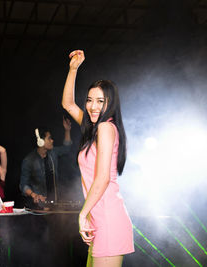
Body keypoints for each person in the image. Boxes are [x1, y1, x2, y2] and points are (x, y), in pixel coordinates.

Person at [62, 50, 134, 267]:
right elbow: (68, 104)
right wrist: (73, 69)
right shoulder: (95, 128)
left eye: (100, 101)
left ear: (109, 104)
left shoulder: (105, 127)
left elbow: (102, 178)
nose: (93, 106)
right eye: (90, 100)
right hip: (100, 218)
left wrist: (82, 214)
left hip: (108, 217)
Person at [19, 117, 72, 209]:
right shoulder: (29, 160)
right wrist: (34, 195)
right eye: (49, 138)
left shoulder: (53, 153)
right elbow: (23, 185)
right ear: (40, 142)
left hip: (55, 203)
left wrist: (67, 130)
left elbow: (66, 149)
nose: (52, 140)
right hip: (39, 206)